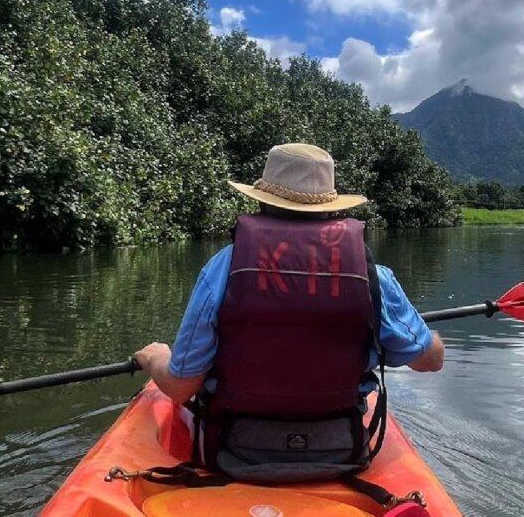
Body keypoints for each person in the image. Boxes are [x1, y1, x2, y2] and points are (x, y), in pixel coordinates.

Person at [134, 143, 444, 482]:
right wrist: (425, 336)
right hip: (342, 448)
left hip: (233, 451)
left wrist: (156, 358)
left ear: (262, 201)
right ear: (330, 206)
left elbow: (181, 387)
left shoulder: (223, 267)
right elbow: (429, 360)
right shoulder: (372, 276)